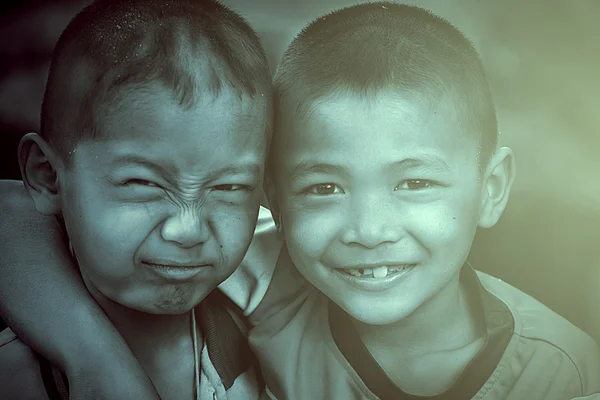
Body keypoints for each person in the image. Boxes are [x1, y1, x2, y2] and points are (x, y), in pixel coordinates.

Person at [1, 2, 599, 399]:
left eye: (414, 182)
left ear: (490, 189)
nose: (368, 230)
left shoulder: (561, 373)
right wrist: (98, 365)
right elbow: (12, 214)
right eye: (324, 188)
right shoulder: (263, 273)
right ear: (279, 202)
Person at [0, 0, 273, 399]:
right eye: (143, 183)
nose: (188, 230)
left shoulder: (273, 295)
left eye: (229, 187)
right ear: (48, 177)